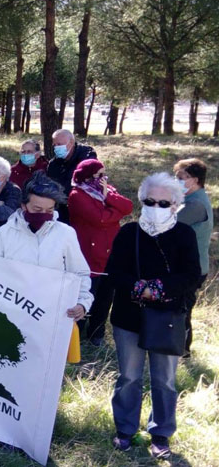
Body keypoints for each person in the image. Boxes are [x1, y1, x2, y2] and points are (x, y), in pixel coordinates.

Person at [105, 173, 201, 459]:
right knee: (129, 377)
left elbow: (192, 275)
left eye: (162, 202)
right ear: (141, 201)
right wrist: (136, 287)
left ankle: (161, 433)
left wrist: (159, 288)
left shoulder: (185, 234)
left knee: (164, 379)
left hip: (167, 319)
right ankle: (125, 428)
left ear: (175, 205)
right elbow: (114, 271)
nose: (155, 206)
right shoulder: (128, 232)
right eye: (149, 201)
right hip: (128, 317)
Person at [0, 172, 93, 324]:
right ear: (24, 206)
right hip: (10, 314)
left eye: (49, 211)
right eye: (37, 210)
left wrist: (83, 302)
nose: (43, 215)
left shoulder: (65, 234)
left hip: (51, 315)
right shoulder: (6, 233)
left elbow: (80, 273)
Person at [68, 159, 133, 345]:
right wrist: (116, 212)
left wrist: (108, 197)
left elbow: (128, 207)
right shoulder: (77, 195)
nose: (103, 178)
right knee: (86, 295)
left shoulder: (106, 190)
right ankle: (76, 335)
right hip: (88, 256)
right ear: (87, 176)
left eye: (104, 174)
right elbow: (100, 219)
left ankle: (96, 334)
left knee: (105, 298)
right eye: (98, 175)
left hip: (110, 254)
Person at [173, 158, 213, 355]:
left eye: (181, 177)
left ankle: (182, 351)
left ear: (195, 180)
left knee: (182, 310)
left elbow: (170, 224)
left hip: (192, 269)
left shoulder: (196, 204)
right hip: (189, 266)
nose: (177, 180)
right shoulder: (189, 200)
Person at [46, 129, 97, 224]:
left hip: (83, 209)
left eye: (59, 144)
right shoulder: (53, 164)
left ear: (71, 143)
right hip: (60, 209)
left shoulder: (86, 158)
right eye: (54, 145)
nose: (56, 148)